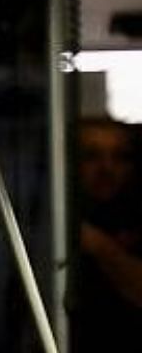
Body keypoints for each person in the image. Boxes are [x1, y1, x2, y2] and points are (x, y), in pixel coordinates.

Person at [74, 116, 142, 346]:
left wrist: (97, 245)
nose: (107, 168)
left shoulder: (135, 214)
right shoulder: (53, 216)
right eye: (92, 156)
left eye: (120, 157)